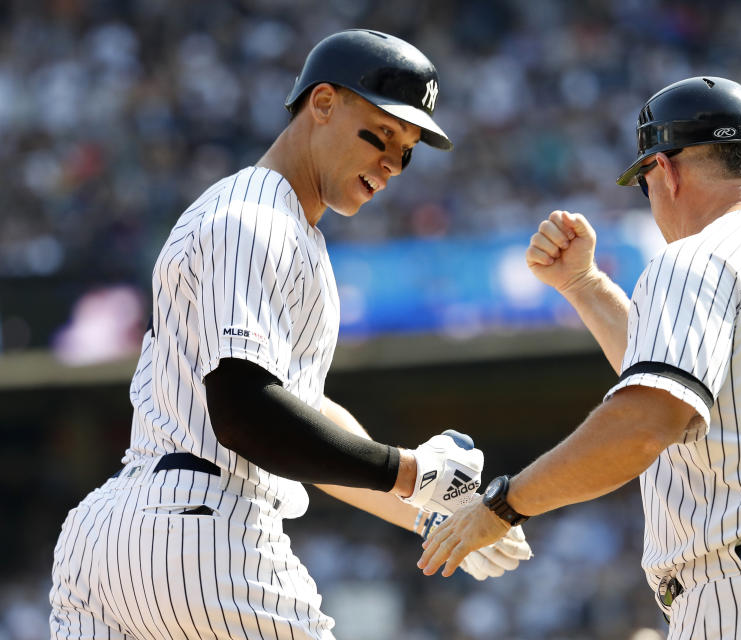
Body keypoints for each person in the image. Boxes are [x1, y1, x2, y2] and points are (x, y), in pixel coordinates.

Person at [49, 29, 529, 639]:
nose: (391, 162)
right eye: (380, 134)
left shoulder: (286, 229)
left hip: (115, 547)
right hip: (204, 530)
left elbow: (301, 418)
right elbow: (248, 415)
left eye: (406, 150)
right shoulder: (254, 220)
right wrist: (410, 472)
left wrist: (431, 513)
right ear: (322, 103)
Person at [419, 76, 741, 638]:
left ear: (664, 170)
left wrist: (502, 505)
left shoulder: (696, 255)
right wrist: (585, 285)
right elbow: (681, 384)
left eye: (644, 182)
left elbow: (646, 423)